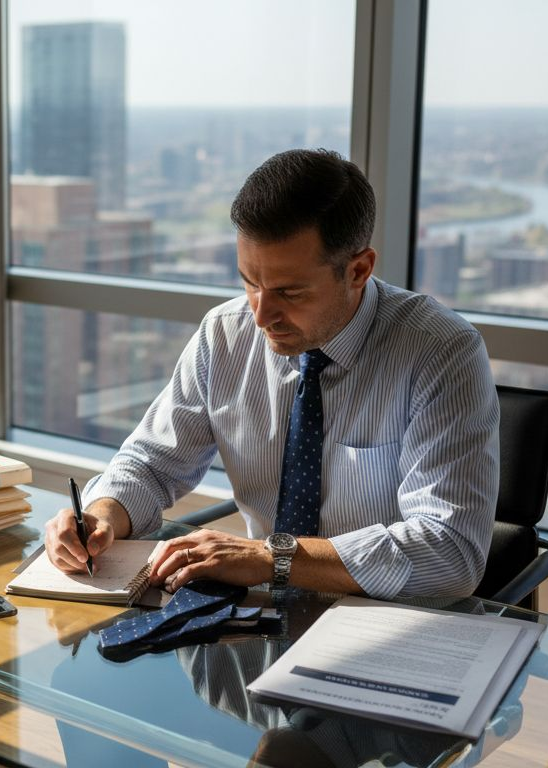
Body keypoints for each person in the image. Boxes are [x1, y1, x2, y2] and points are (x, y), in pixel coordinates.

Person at [44, 148, 498, 599]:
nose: (261, 315)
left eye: (290, 292)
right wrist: (104, 514)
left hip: (384, 626)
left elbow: (450, 550)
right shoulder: (224, 334)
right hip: (257, 621)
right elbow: (152, 463)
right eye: (249, 282)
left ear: (358, 270)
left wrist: (272, 557)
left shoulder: (441, 352)